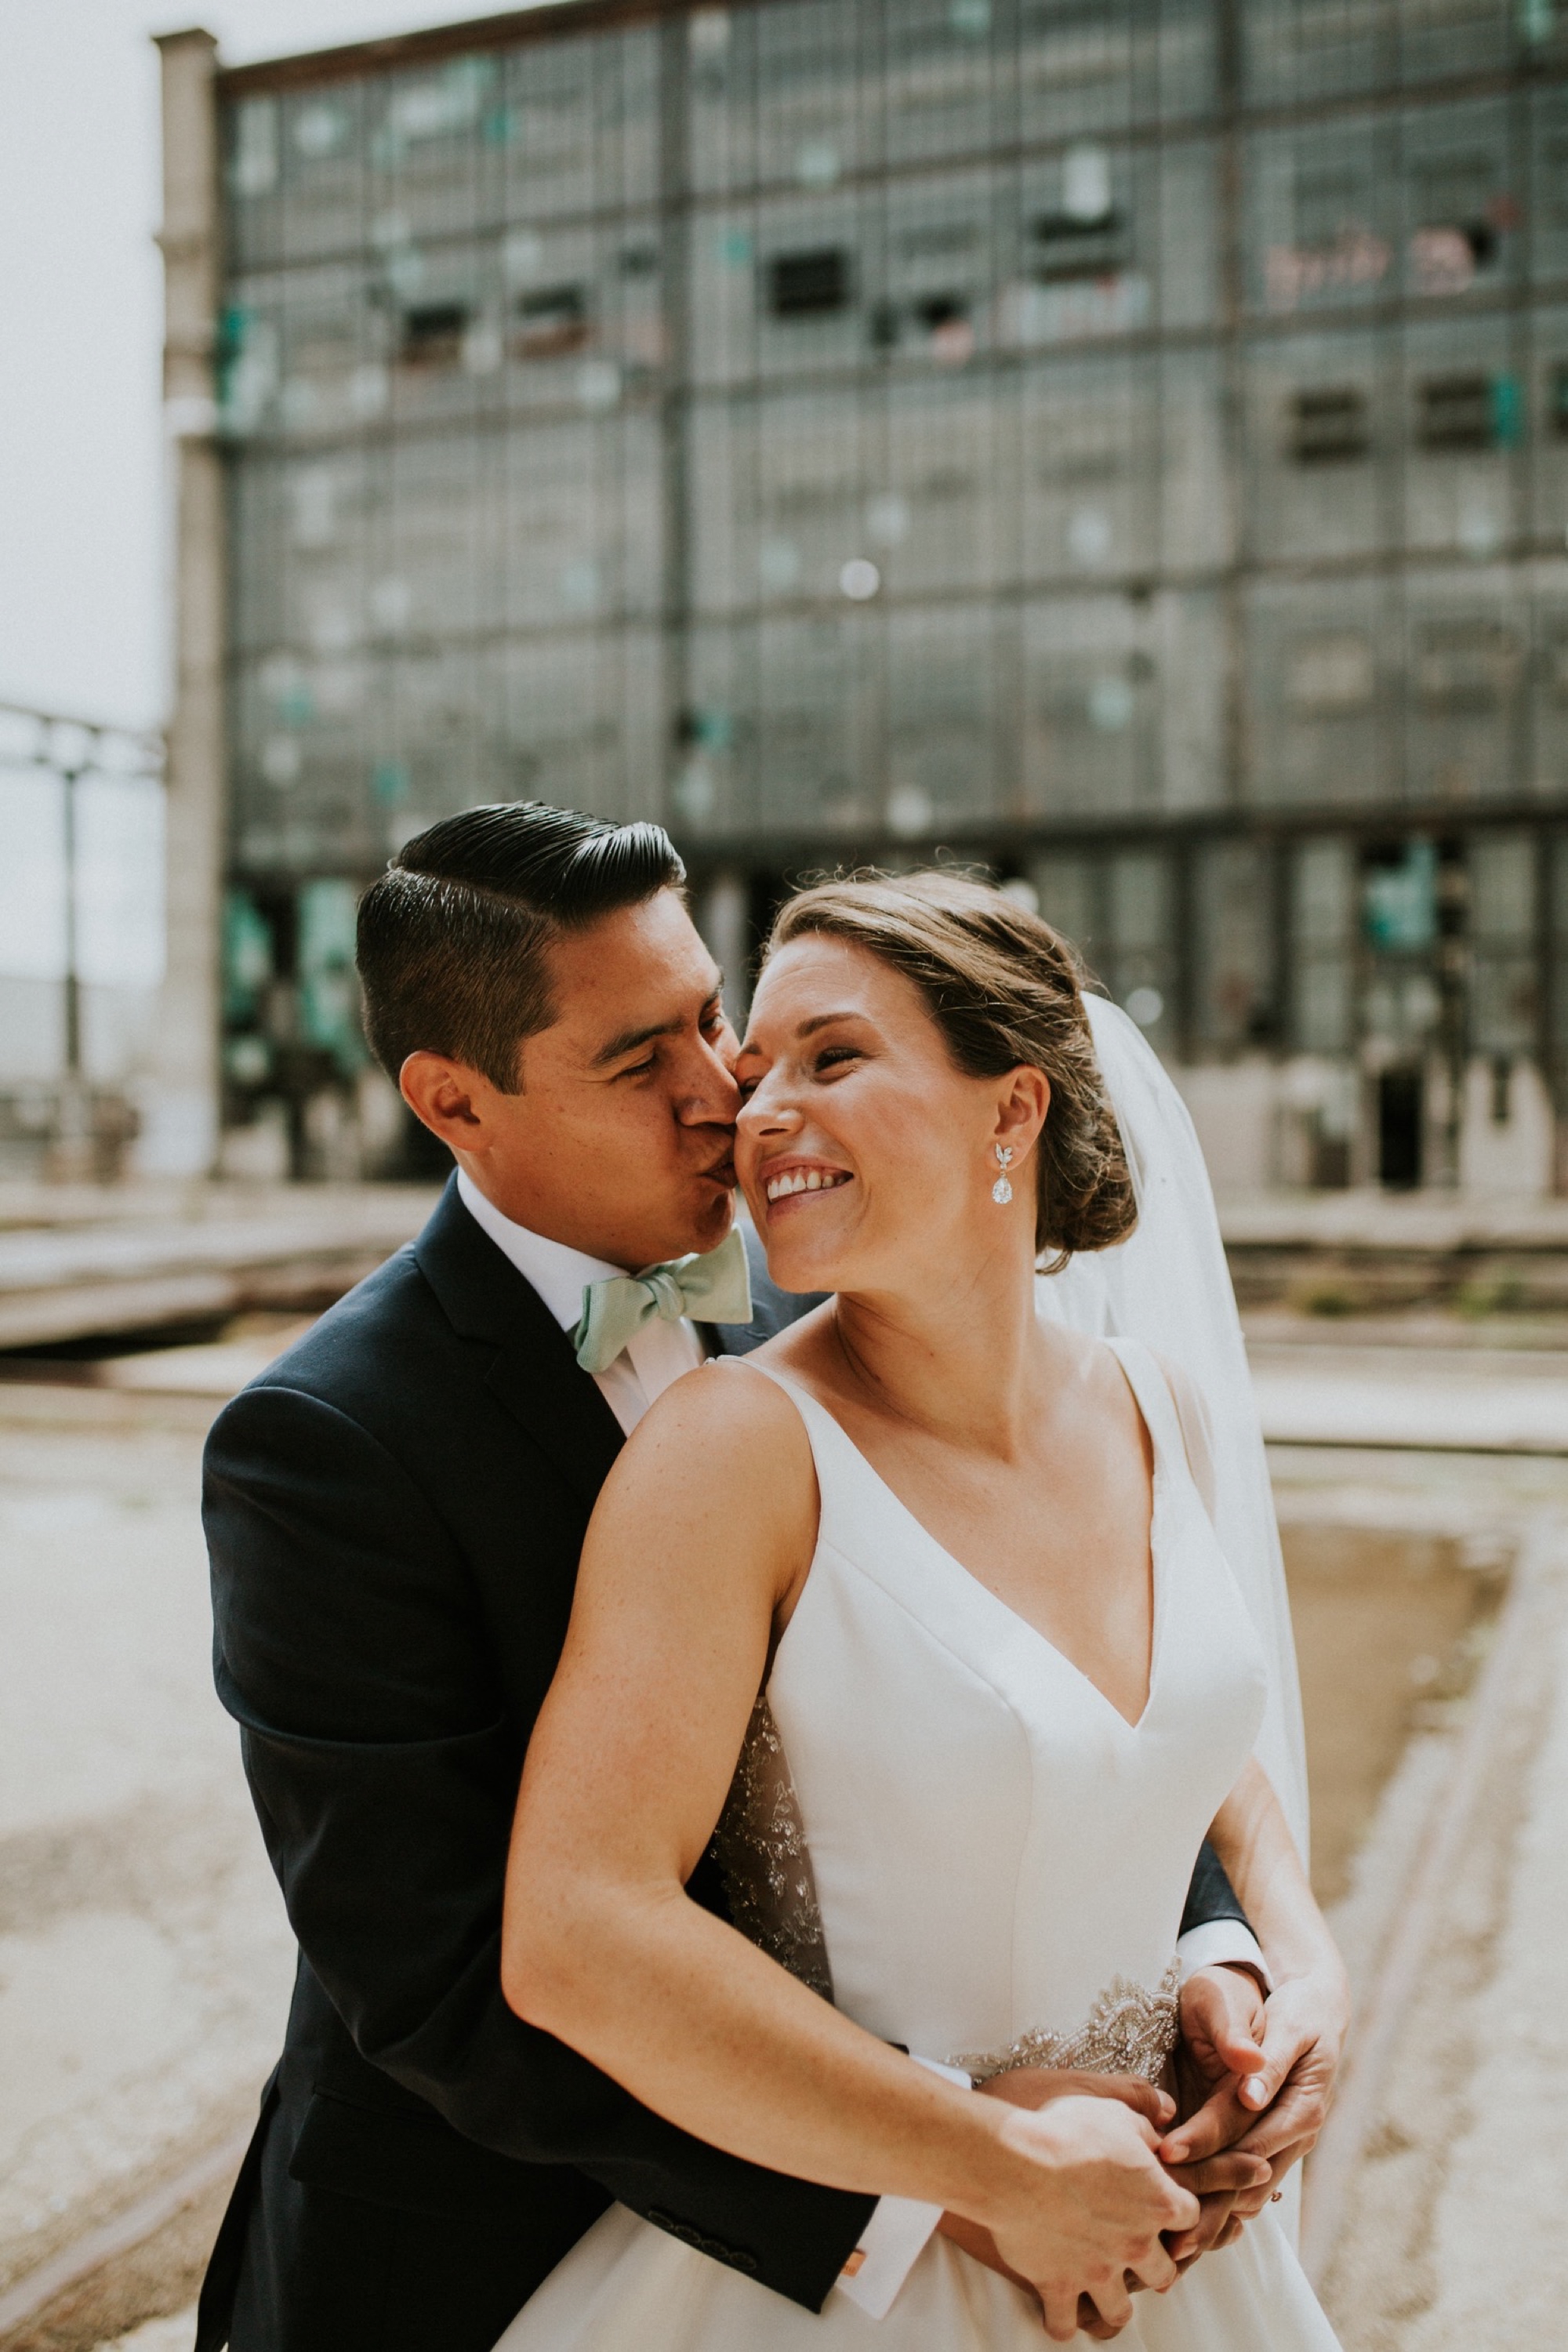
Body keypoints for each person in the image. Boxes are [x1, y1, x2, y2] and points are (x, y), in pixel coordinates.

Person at [197, 805, 1333, 2352]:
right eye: (633, 1063)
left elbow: (1073, 1698)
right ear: (456, 1103)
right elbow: (455, 1989)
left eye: (708, 1024)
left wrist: (1213, 1956)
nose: (720, 1098)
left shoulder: (840, 1278)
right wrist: (952, 2171)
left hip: (1062, 2174)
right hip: (523, 2233)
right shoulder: (327, 1443)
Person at [495, 868, 1350, 2347]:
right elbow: (577, 1930)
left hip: (1183, 2251)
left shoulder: (1160, 1407)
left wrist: (1292, 1966)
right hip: (879, 2270)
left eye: (834, 1057)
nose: (757, 1112)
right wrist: (992, 2159)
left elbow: (1209, 1761)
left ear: (1010, 1110)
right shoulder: (732, 1448)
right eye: (758, 1073)